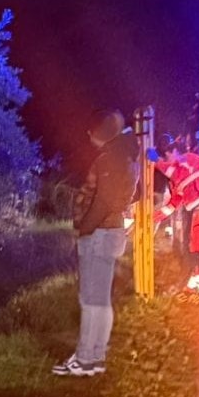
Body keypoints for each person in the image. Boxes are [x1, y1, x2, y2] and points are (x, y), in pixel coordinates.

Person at [56, 110, 136, 377]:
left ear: (102, 133)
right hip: (108, 233)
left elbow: (103, 202)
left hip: (99, 235)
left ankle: (85, 359)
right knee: (100, 300)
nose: (89, 136)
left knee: (91, 300)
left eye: (93, 131)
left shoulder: (110, 159)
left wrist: (84, 229)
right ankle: (96, 356)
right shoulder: (124, 157)